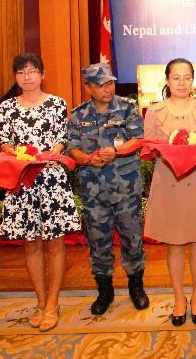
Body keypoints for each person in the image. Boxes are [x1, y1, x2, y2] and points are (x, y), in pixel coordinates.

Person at [0, 54, 80, 331]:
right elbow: (5, 143)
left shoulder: (57, 103)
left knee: (55, 243)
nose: (27, 77)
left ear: (42, 74)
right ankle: (40, 300)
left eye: (32, 71)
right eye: (21, 72)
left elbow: (62, 140)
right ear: (15, 76)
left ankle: (53, 302)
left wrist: (51, 152)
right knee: (30, 242)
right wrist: (18, 152)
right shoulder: (7, 107)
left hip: (50, 177)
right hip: (21, 178)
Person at [143, 58, 196, 326]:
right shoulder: (154, 112)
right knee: (174, 244)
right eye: (175, 77)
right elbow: (149, 149)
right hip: (167, 181)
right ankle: (179, 298)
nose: (181, 82)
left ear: (192, 80)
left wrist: (194, 152)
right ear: (167, 80)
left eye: (186, 77)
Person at [66, 62, 149, 317]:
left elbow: (138, 139)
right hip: (95, 192)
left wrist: (117, 151)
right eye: (101, 84)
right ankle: (105, 291)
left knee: (132, 240)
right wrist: (88, 159)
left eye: (110, 82)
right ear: (89, 87)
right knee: (99, 243)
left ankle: (136, 286)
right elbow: (72, 149)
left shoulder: (128, 108)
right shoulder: (78, 115)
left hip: (126, 189)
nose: (107, 88)